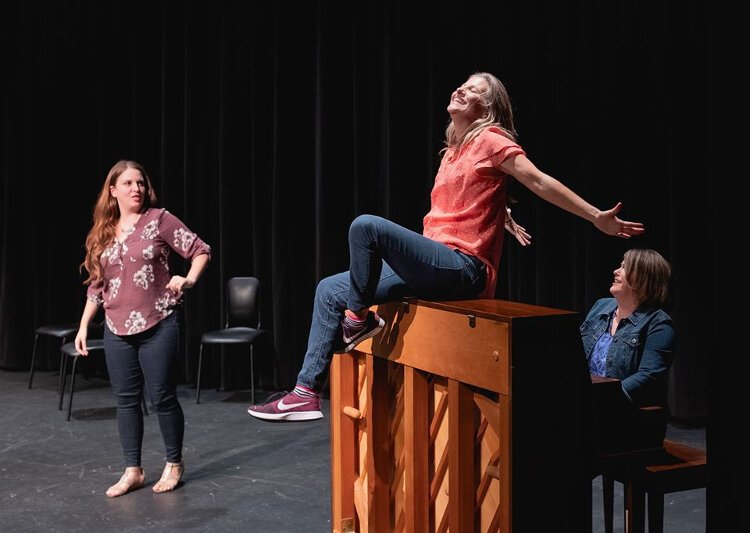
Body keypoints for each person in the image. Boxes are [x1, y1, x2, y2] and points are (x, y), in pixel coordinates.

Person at [247, 71, 644, 422]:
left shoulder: (491, 139)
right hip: (433, 264)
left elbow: (537, 181)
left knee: (366, 227)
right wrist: (501, 213)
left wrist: (596, 217)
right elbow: (472, 194)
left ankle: (357, 320)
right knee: (329, 289)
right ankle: (305, 394)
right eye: (463, 84)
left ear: (486, 108)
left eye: (473, 89)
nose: (461, 89)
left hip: (462, 269)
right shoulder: (452, 151)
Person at [74, 160, 211, 497]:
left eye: (141, 182)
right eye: (129, 183)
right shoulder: (103, 233)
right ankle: (133, 470)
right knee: (125, 401)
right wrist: (82, 326)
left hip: (158, 321)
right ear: (113, 190)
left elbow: (200, 250)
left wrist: (189, 279)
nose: (137, 188)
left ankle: (174, 463)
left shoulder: (159, 220)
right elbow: (97, 286)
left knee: (162, 397)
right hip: (116, 327)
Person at [581, 248, 676, 447]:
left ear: (643, 278)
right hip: (589, 410)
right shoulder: (601, 306)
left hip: (632, 418)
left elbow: (648, 376)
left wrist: (601, 399)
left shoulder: (658, 323)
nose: (616, 271)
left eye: (625, 267)